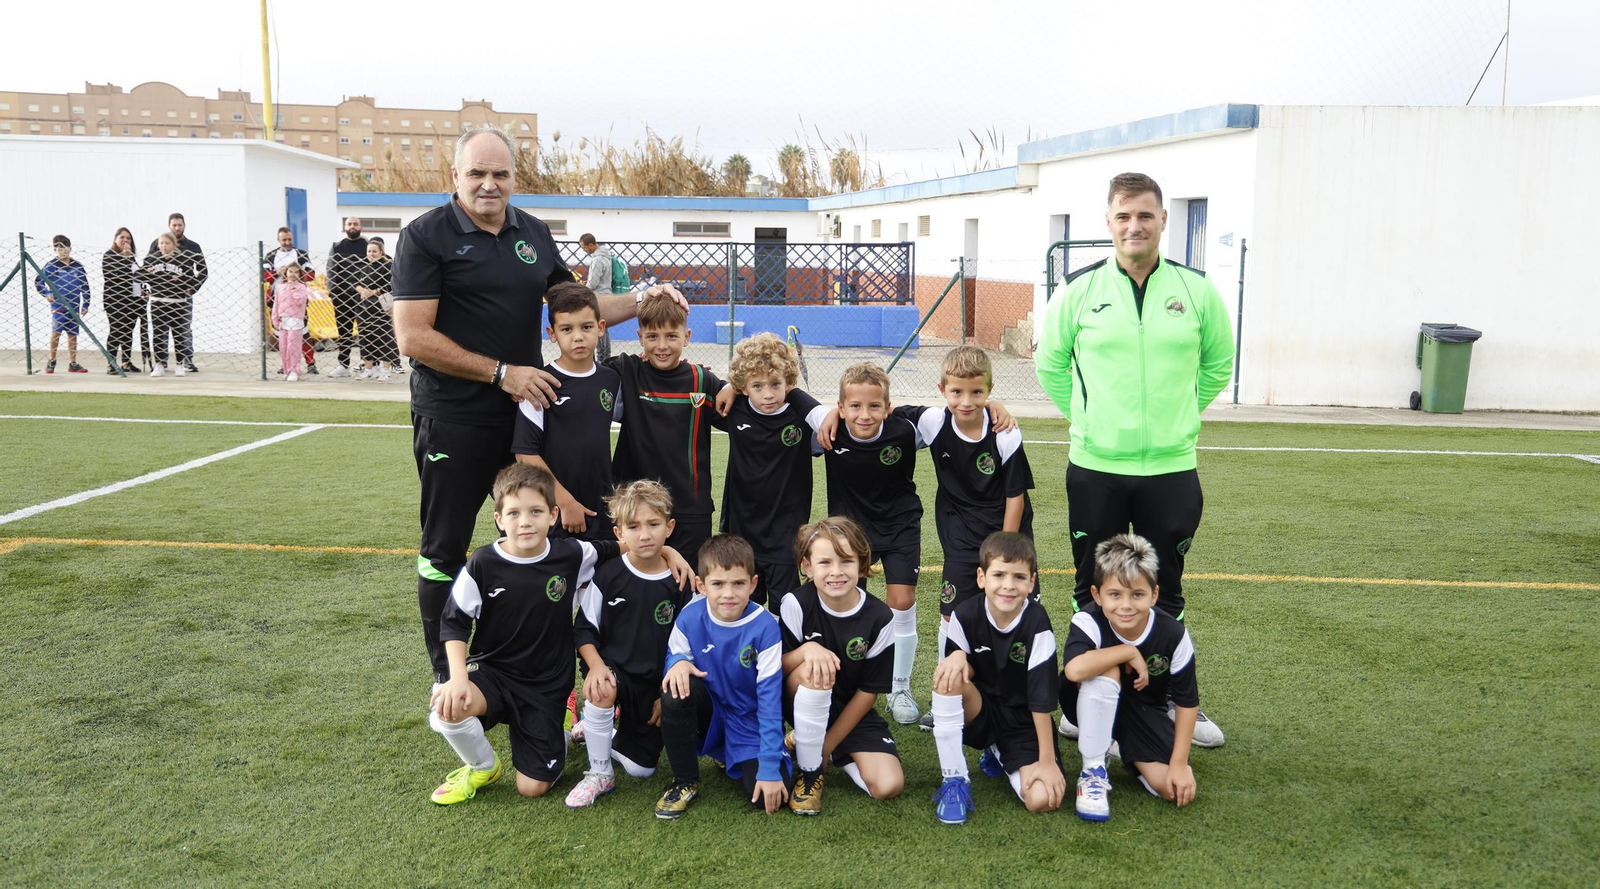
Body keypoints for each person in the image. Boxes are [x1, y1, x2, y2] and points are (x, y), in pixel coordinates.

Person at [392, 124, 688, 684]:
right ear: (454, 177)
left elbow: (577, 303)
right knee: (444, 547)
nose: (488, 184)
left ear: (513, 179)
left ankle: (534, 667)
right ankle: (447, 675)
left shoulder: (532, 231)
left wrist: (647, 297)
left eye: (499, 173)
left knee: (537, 545)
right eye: (476, 173)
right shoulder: (424, 236)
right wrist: (501, 373)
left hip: (526, 417)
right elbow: (413, 337)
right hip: (454, 419)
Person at [1035, 172, 1234, 748]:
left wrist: (1179, 418)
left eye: (1145, 215)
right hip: (1096, 463)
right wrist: (1090, 417)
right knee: (1091, 585)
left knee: (1163, 587)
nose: (1135, 226)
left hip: (1171, 467)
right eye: (1124, 217)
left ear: (1163, 220)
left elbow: (1218, 364)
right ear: (1109, 223)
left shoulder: (1195, 291)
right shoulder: (1079, 290)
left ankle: (1167, 701)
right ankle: (1081, 703)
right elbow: (1050, 364)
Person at [427, 463, 619, 805]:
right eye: (514, 512)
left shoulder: (573, 554)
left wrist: (667, 551)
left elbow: (623, 548)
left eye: (535, 511)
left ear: (553, 515)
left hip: (546, 683)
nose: (525, 521)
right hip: (494, 672)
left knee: (533, 788)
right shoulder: (483, 563)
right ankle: (482, 766)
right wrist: (456, 678)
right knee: (447, 706)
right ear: (499, 518)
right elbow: (454, 623)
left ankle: (557, 720)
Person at [884, 346, 1032, 731]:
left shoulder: (1005, 433)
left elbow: (1015, 497)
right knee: (952, 616)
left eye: (977, 393)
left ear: (989, 390)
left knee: (1011, 611)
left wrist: (1006, 552)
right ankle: (945, 697)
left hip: (1005, 536)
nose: (966, 402)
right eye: (957, 393)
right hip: (961, 540)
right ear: (942, 390)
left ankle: (1009, 695)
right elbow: (890, 413)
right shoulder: (934, 421)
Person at [567, 480, 696, 808]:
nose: (645, 534)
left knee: (642, 769)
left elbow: (690, 644)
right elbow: (583, 631)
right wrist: (596, 667)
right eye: (634, 526)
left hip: (655, 682)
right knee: (602, 688)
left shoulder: (680, 582)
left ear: (669, 528)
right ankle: (600, 773)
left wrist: (664, 697)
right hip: (616, 672)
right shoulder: (608, 575)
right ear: (619, 534)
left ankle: (602, 730)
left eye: (653, 525)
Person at [814, 362, 926, 725]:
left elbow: (955, 412)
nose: (865, 414)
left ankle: (899, 686)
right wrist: (830, 414)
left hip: (899, 523)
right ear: (841, 407)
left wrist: (994, 407)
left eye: (874, 406)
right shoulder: (827, 429)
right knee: (846, 603)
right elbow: (793, 404)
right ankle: (846, 685)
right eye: (855, 407)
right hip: (850, 531)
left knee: (902, 599)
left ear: (888, 407)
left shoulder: (907, 429)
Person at [1061, 534, 1200, 822]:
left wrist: (1179, 763)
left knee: (1172, 789)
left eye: (1137, 594)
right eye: (1115, 595)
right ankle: (1093, 770)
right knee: (1106, 668)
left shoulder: (1173, 633)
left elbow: (1187, 702)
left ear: (1154, 595)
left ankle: (1117, 743)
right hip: (1081, 700)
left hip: (1142, 709)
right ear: (1097, 595)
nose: (1126, 605)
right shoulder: (1088, 620)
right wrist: (1125, 651)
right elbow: (1073, 670)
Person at [928, 532, 1064, 825]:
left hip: (1024, 720)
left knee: (1042, 800)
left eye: (1018, 577)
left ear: (1031, 582)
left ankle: (999, 752)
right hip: (984, 710)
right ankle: (954, 780)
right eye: (999, 574)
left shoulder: (1037, 622)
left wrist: (1047, 761)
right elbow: (961, 675)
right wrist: (957, 656)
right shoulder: (964, 614)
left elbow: (1042, 701)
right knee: (947, 679)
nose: (1008, 585)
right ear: (981, 577)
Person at [655, 535, 789, 819]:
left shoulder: (765, 627)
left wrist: (767, 766)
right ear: (702, 586)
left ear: (753, 584)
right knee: (677, 687)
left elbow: (769, 700)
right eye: (718, 584)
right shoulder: (689, 617)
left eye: (738, 583)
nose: (728, 593)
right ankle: (685, 779)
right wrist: (677, 662)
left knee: (767, 794)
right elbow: (674, 656)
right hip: (711, 714)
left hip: (749, 720)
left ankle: (735, 753)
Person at [779, 517, 902, 815]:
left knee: (889, 786)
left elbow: (868, 692)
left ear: (861, 564)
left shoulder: (880, 617)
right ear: (807, 567)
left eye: (846, 561)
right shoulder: (795, 604)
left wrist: (827, 745)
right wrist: (807, 650)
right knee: (815, 668)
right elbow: (776, 669)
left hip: (850, 709)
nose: (836, 572)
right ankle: (810, 773)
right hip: (798, 698)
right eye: (825, 562)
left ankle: (815, 746)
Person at [605, 294, 732, 566]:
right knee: (634, 583)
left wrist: (734, 385)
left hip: (690, 510)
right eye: (652, 337)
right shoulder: (626, 370)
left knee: (688, 586)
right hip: (633, 508)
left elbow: (743, 406)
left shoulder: (703, 380)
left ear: (686, 337)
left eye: (671, 336)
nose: (662, 346)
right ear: (640, 337)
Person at [715, 333, 828, 609]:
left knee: (785, 613)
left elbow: (827, 421)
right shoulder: (734, 410)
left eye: (776, 384)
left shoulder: (802, 416)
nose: (768, 394)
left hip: (785, 538)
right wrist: (729, 386)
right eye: (757, 385)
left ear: (788, 382)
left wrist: (797, 395)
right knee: (740, 609)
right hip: (741, 537)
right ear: (743, 387)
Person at [511, 282, 621, 542]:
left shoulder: (611, 379)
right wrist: (565, 502)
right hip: (556, 509)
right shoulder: (539, 382)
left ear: (600, 328)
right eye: (567, 329)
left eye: (586, 327)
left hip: (602, 504)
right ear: (552, 333)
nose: (578, 337)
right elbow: (525, 453)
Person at [148, 213, 205, 374]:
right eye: (174, 225)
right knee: (160, 330)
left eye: (180, 225)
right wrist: (153, 287)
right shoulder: (157, 243)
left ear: (184, 225)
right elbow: (147, 267)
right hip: (160, 297)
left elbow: (203, 271)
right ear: (169, 226)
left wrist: (191, 288)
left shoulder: (193, 247)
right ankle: (162, 362)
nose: (177, 228)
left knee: (184, 328)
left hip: (182, 298)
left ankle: (186, 361)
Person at [264, 226, 318, 376]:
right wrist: (278, 272)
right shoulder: (270, 256)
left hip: (298, 300)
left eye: (289, 239)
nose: (287, 242)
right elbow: (265, 276)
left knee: (304, 333)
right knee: (283, 335)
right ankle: (286, 365)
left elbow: (311, 274)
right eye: (284, 240)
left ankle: (310, 363)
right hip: (278, 299)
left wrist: (295, 274)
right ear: (278, 240)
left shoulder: (301, 254)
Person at [34, 235, 91, 374]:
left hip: (74, 306)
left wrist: (86, 304)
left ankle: (73, 363)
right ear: (55, 250)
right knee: (56, 333)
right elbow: (38, 281)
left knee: (73, 335)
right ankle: (52, 360)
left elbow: (85, 286)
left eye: (65, 247)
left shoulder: (77, 266)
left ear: (70, 248)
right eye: (59, 248)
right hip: (58, 307)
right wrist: (46, 293)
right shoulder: (51, 266)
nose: (63, 250)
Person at [137, 232, 190, 377]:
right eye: (161, 243)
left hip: (177, 303)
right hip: (158, 303)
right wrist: (147, 273)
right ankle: (159, 364)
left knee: (179, 334)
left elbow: (191, 279)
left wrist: (181, 279)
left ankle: (180, 364)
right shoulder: (152, 259)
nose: (164, 246)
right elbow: (138, 276)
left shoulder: (182, 259)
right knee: (159, 334)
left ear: (173, 244)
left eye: (167, 243)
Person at [325, 216, 369, 377]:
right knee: (344, 332)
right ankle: (343, 365)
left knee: (367, 331)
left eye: (355, 224)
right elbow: (330, 271)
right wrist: (333, 293)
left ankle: (369, 364)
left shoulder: (368, 246)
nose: (352, 227)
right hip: (341, 297)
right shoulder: (337, 247)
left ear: (360, 227)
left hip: (363, 297)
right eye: (349, 224)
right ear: (344, 227)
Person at [354, 239, 399, 380]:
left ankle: (386, 369)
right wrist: (362, 291)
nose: (371, 254)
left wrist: (374, 292)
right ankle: (368, 368)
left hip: (381, 308)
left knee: (384, 337)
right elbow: (355, 282)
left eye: (374, 251)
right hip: (363, 307)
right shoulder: (363, 266)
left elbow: (392, 284)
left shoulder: (388, 266)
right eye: (369, 251)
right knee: (365, 337)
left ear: (381, 252)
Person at [102, 227, 145, 374]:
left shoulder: (132, 257)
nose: (126, 240)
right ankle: (111, 363)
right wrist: (125, 259)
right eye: (122, 237)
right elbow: (114, 275)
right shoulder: (109, 256)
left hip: (133, 302)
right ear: (115, 240)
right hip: (116, 301)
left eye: (128, 238)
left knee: (128, 332)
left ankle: (126, 362)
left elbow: (136, 278)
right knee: (116, 331)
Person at [579, 232, 627, 361]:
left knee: (598, 328)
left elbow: (593, 282)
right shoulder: (608, 256)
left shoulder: (597, 259)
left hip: (598, 297)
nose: (583, 250)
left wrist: (581, 290)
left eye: (583, 247)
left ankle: (601, 359)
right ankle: (606, 358)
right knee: (604, 328)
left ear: (590, 245)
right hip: (607, 294)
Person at [271, 262, 312, 382]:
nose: (293, 274)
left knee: (293, 346)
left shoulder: (302, 287)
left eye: (296, 272)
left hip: (296, 320)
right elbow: (276, 304)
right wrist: (275, 319)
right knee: (283, 346)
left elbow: (300, 302)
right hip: (283, 320)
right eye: (290, 271)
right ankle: (286, 369)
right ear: (286, 273)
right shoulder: (280, 287)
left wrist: (294, 289)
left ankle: (294, 370)